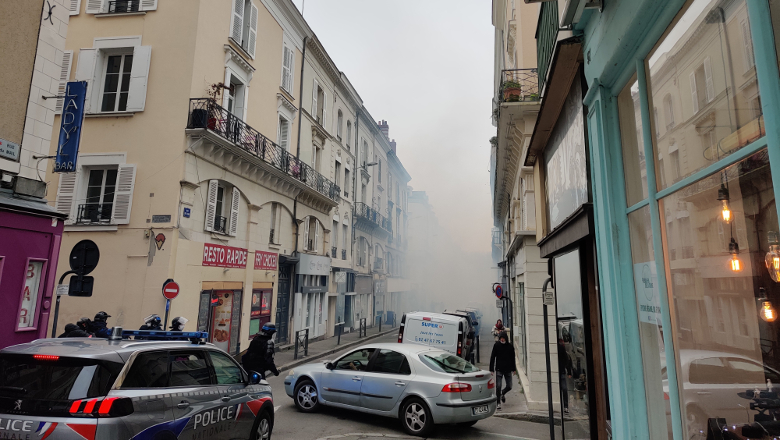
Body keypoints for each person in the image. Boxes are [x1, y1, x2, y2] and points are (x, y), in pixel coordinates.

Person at [489, 331, 516, 410]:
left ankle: (502, 393)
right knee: (498, 386)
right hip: (499, 369)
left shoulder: (510, 347)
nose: (502, 340)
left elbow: (512, 358)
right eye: (501, 338)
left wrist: (513, 369)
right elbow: (493, 357)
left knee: (509, 386)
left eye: (503, 338)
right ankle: (498, 402)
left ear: (506, 338)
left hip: (507, 369)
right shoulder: (497, 345)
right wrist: (491, 369)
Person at [558, 338, 573, 414]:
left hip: (561, 371)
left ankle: (565, 406)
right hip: (559, 371)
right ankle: (563, 405)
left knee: (564, 388)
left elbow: (566, 359)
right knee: (562, 389)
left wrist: (569, 371)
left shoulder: (560, 348)